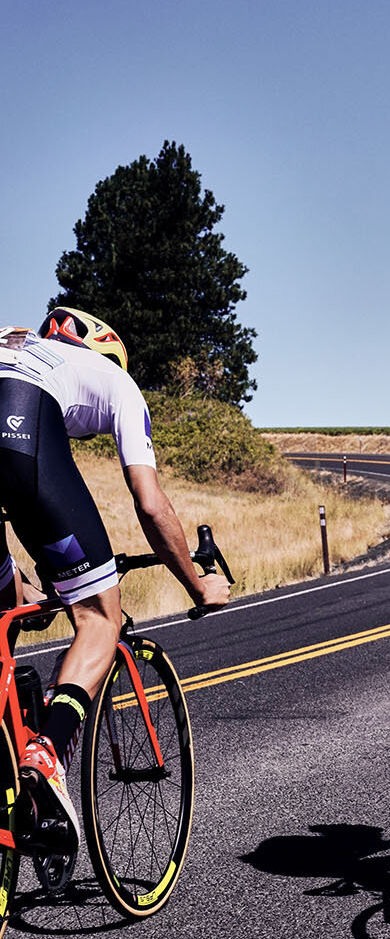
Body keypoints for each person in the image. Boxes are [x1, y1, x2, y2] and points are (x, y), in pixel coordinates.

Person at [0, 308, 230, 848]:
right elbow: (149, 504)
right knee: (100, 618)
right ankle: (44, 758)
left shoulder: (22, 344)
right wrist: (197, 585)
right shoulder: (119, 382)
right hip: (18, 427)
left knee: (6, 606)